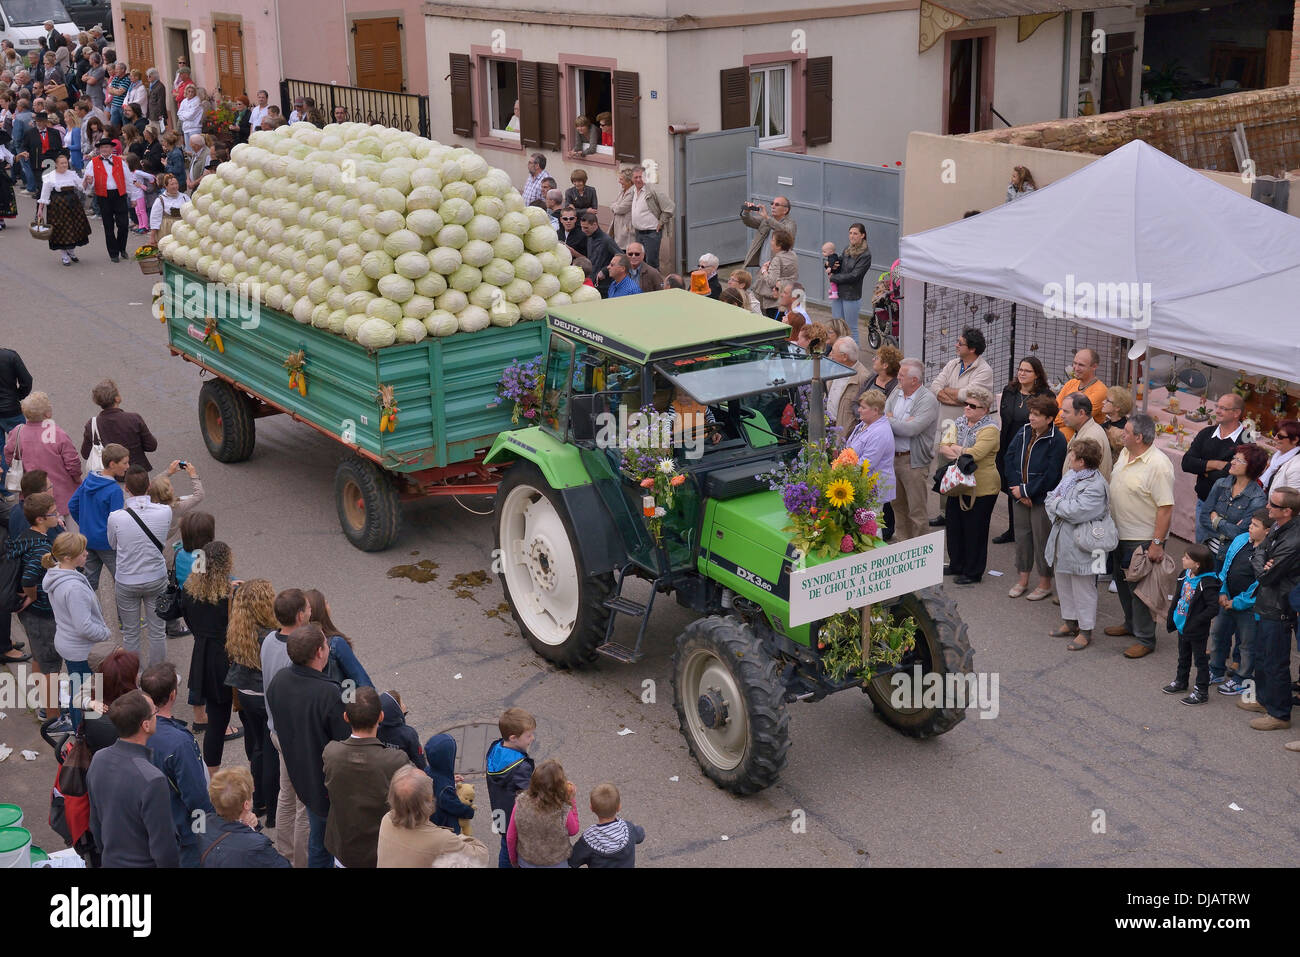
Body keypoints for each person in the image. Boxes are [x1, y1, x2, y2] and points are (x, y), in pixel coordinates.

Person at [266, 624, 351, 868]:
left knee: (317, 836)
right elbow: (344, 744)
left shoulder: (280, 680)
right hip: (324, 783)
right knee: (323, 842)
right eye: (325, 645)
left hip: (298, 770)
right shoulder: (328, 694)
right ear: (319, 652)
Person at [1106, 414, 1176, 658]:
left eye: (1126, 432)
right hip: (1118, 533)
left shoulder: (1159, 465)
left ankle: (1145, 639)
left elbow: (1166, 508)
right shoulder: (1126, 452)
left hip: (1142, 539)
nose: (1121, 434)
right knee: (1123, 583)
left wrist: (1156, 544)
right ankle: (1130, 624)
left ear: (1139, 437)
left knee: (1141, 590)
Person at [86, 689, 180, 868]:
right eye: (154, 712)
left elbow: (95, 823)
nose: (157, 715)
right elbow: (163, 848)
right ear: (145, 725)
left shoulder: (98, 759)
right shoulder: (153, 780)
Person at [322, 686, 411, 868]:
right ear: (381, 717)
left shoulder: (331, 752)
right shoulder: (395, 760)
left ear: (346, 717)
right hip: (380, 852)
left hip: (344, 850)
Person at [140, 662, 215, 867]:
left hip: (152, 828)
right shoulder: (179, 743)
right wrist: (203, 834)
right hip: (184, 836)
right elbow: (197, 798)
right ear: (173, 695)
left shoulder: (134, 728)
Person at [1240, 486, 1300, 733]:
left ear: (1287, 511)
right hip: (1267, 602)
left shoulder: (1294, 538)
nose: (1267, 507)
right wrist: (1262, 553)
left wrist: (1261, 555)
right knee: (1263, 655)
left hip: (1279, 606)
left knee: (1275, 660)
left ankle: (1279, 713)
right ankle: (1264, 700)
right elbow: (1261, 550)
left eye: (1273, 505)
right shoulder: (1279, 527)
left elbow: (1267, 576)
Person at [1044, 438, 1111, 650]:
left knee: (1083, 588)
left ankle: (1085, 631)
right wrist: (1057, 504)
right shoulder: (1071, 476)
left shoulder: (1096, 485)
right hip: (1063, 541)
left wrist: (1055, 503)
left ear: (1081, 461)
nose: (1069, 458)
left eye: (1072, 456)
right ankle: (1070, 622)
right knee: (1063, 582)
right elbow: (1052, 501)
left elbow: (1076, 512)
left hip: (1084, 545)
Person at [263, 587, 313, 865]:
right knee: (304, 802)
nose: (310, 611)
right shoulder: (296, 652)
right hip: (295, 736)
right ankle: (302, 861)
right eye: (307, 608)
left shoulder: (269, 640)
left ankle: (285, 853)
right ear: (299, 616)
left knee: (287, 794)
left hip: (276, 730)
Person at [179, 540, 237, 772]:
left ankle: (213, 778)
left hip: (203, 656)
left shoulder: (188, 591)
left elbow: (191, 624)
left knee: (216, 722)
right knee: (254, 720)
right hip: (229, 657)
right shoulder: (230, 595)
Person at [224, 578, 279, 823]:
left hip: (245, 695)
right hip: (264, 697)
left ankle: (258, 802)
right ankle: (271, 805)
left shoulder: (238, 630)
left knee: (256, 747)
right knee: (270, 752)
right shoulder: (269, 634)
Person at [107, 465, 172, 667]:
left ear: (126, 488)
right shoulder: (165, 511)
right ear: (149, 486)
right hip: (156, 578)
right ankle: (158, 675)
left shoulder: (115, 517)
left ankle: (133, 676)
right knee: (157, 631)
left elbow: (113, 545)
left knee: (131, 633)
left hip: (127, 580)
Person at [1005, 395, 1067, 601]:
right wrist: (1017, 489)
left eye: (1037, 415)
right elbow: (1009, 458)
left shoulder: (1056, 440)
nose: (1031, 418)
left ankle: (1044, 583)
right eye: (1031, 413)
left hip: (1041, 499)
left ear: (1049, 419)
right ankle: (1022, 580)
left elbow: (1052, 474)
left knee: (1042, 540)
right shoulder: (1023, 432)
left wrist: (1028, 491)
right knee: (1022, 537)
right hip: (1019, 494)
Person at [43, 531, 108, 729]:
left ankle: (78, 730)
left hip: (69, 643)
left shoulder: (57, 574)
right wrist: (106, 635)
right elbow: (84, 626)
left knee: (78, 692)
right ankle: (83, 738)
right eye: (82, 552)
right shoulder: (73, 588)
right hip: (81, 650)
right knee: (84, 698)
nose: (87, 554)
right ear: (67, 558)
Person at [937, 386, 1000, 584]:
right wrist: (961, 450)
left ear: (985, 409)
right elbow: (942, 447)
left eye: (973, 406)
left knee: (975, 530)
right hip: (957, 482)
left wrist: (955, 448)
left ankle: (973, 572)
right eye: (966, 404)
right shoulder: (959, 421)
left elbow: (976, 454)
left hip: (981, 487)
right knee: (955, 525)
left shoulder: (990, 429)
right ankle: (957, 564)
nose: (967, 408)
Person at [6, 493, 60, 717]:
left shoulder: (25, 537)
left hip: (29, 615)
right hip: (42, 614)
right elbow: (29, 578)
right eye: (53, 513)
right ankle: (53, 714)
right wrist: (33, 596)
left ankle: (44, 704)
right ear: (40, 519)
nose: (57, 516)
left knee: (38, 655)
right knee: (50, 665)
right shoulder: (40, 547)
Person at [377, 765, 489, 868]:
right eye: (430, 782)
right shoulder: (443, 841)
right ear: (429, 800)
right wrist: (459, 838)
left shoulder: (387, 819)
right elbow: (481, 857)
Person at [993, 357, 1052, 545]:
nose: (1021, 373)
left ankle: (1032, 532)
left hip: (1031, 446)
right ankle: (1014, 529)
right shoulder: (1010, 391)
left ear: (1037, 375)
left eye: (1027, 371)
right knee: (1011, 485)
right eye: (1020, 369)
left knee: (1028, 487)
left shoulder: (1045, 395)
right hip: (1008, 444)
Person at [1211, 508, 1268, 695]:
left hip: (1249, 607)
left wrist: (1238, 602)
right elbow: (1227, 566)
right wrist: (1222, 591)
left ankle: (1242, 678)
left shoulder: (1268, 552)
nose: (1249, 527)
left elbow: (1260, 584)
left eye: (1255, 525)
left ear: (1267, 531)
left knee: (1246, 644)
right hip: (1227, 599)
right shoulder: (1241, 539)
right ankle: (1216, 670)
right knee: (1219, 634)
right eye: (1251, 523)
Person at [885, 359, 939, 542]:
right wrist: (897, 422)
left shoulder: (928, 400)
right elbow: (884, 415)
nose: (897, 377)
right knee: (898, 508)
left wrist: (891, 421)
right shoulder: (897, 391)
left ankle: (921, 554)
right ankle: (903, 548)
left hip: (913, 463)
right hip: (894, 459)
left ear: (914, 380)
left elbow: (911, 430)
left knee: (917, 512)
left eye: (901, 375)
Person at [4, 392, 81, 519]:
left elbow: (9, 457)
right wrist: (77, 479)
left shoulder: (17, 432)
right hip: (62, 496)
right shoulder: (58, 434)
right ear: (47, 414)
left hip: (31, 497)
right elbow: (73, 464)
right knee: (69, 535)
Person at [1161, 544, 1220, 706]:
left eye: (1187, 558)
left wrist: (1196, 621)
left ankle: (1201, 691)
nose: (1183, 559)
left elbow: (1213, 608)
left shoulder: (1208, 583)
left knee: (1200, 660)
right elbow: (1179, 597)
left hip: (1196, 629)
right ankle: (1181, 681)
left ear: (1197, 564)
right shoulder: (1184, 574)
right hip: (1182, 625)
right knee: (1183, 655)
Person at [198, 767, 291, 868]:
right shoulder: (257, 847)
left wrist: (251, 828)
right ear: (246, 804)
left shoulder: (202, 823)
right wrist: (252, 832)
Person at [1185, 393, 1247, 544]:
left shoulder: (1246, 440)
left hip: (1229, 512)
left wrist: (1203, 468)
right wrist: (1217, 465)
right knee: (1200, 551)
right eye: (1217, 406)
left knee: (1219, 554)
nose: (1217, 411)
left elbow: (1231, 477)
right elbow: (1186, 463)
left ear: (1236, 413)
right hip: (1204, 502)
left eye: (1223, 408)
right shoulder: (1206, 433)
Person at [67, 442, 128, 591]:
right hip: (107, 543)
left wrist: (85, 524)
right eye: (125, 463)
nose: (127, 466)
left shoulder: (89, 480)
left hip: (87, 538)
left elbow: (72, 505)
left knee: (89, 583)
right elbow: (116, 521)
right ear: (113, 464)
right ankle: (124, 615)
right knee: (121, 583)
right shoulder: (114, 490)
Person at [486, 706, 536, 868]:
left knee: (505, 845)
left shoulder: (495, 749)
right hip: (516, 820)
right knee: (516, 850)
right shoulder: (520, 768)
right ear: (513, 738)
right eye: (528, 735)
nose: (532, 738)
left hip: (499, 812)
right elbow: (530, 796)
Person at [507, 758, 580, 868]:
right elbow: (573, 830)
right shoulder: (562, 808)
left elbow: (511, 836)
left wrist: (513, 860)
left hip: (527, 861)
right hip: (556, 862)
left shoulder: (520, 803)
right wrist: (571, 800)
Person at [844, 390, 896, 539]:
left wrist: (843, 468)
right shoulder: (864, 424)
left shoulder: (880, 432)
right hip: (862, 484)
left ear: (875, 411)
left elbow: (866, 463)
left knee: (871, 527)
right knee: (863, 526)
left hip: (874, 487)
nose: (859, 410)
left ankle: (876, 556)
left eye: (863, 407)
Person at [1201, 444, 1268, 557]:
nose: (1232, 462)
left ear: (1252, 466)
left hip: (1230, 556)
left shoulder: (1257, 498)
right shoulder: (1221, 484)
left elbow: (1241, 533)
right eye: (1234, 458)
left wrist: (1216, 520)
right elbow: (1204, 517)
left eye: (1239, 460)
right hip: (1207, 549)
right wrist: (1228, 529)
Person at [304, 587, 374, 689]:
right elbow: (361, 681)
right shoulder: (336, 644)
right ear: (322, 611)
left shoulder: (300, 645)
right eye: (326, 603)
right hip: (345, 700)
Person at [82, 379, 157, 470]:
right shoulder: (134, 419)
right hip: (136, 474)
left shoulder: (92, 424)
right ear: (116, 398)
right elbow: (151, 446)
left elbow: (85, 454)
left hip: (110, 476)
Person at [569, 782, 645, 868]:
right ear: (619, 807)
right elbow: (641, 835)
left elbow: (574, 860)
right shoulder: (628, 829)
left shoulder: (589, 838)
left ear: (592, 808)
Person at [35, 151, 90, 266]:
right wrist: (40, 209)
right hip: (57, 206)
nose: (65, 165)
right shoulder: (49, 176)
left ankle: (71, 251)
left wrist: (87, 181)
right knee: (61, 229)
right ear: (56, 164)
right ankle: (64, 255)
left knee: (74, 227)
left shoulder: (72, 174)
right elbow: (44, 195)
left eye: (66, 163)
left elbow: (81, 187)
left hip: (73, 204)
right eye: (62, 163)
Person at [826, 223, 872, 341]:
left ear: (862, 235)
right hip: (838, 293)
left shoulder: (865, 255)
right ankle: (837, 353)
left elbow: (855, 276)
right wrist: (830, 264)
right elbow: (840, 262)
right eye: (850, 233)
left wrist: (834, 278)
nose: (852, 236)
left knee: (851, 328)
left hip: (851, 295)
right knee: (837, 326)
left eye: (855, 233)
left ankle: (854, 357)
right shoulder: (847, 248)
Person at [1053, 349, 1108, 441]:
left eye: (1081, 365)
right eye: (1074, 363)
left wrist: (1053, 418)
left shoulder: (1100, 391)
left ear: (1094, 366)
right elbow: (1053, 408)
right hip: (1059, 441)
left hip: (1082, 445)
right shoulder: (1071, 383)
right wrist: (1062, 413)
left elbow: (1078, 417)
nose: (1076, 368)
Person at [424, 732, 474, 832]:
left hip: (432, 818)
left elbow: (437, 780)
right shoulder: (445, 788)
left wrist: (450, 778)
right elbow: (454, 806)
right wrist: (469, 811)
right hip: (446, 825)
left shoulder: (428, 770)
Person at [1059, 393, 1113, 481]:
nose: (1061, 415)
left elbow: (1084, 479)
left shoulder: (1091, 438)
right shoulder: (1084, 430)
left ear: (1081, 413)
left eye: (1066, 411)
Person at [627, 165, 673, 268]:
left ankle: (656, 284)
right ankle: (642, 284)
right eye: (636, 177)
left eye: (641, 177)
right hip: (638, 233)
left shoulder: (653, 191)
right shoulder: (633, 190)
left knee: (651, 264)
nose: (639, 180)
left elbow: (670, 207)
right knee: (640, 263)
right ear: (632, 179)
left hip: (651, 233)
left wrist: (661, 223)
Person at [827, 337, 870, 434]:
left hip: (844, 433)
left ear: (844, 357)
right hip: (828, 426)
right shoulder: (835, 367)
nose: (830, 355)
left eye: (833, 352)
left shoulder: (863, 377)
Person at [751, 229, 798, 318]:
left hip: (773, 302)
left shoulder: (777, 259)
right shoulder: (793, 255)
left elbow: (771, 282)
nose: (771, 242)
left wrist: (764, 270)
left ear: (779, 245)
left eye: (772, 240)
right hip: (787, 296)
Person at [741, 195, 796, 268]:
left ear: (785, 210)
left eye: (777, 205)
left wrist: (767, 217)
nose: (773, 206)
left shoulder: (790, 223)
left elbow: (786, 231)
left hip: (778, 267)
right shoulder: (767, 219)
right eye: (772, 203)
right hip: (763, 266)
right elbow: (750, 222)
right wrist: (746, 212)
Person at [377, 690, 426, 770]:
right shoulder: (409, 733)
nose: (404, 705)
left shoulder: (378, 730)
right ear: (396, 709)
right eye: (401, 703)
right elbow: (418, 757)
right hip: (404, 771)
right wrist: (424, 770)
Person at [580, 210, 620, 292]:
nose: (583, 230)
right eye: (582, 227)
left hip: (604, 285)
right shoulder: (589, 236)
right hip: (592, 281)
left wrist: (605, 270)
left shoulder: (606, 240)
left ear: (594, 225)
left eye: (586, 227)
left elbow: (621, 256)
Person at [1260, 419, 1300, 493]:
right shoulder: (1279, 454)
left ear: (1295, 440)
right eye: (1275, 433)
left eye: (1280, 436)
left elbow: (1292, 498)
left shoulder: (1296, 466)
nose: (1275, 438)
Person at [148, 170, 187, 244]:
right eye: (172, 184)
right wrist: (152, 237)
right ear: (166, 186)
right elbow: (155, 219)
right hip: (166, 231)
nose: (175, 186)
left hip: (182, 229)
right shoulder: (160, 200)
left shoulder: (185, 197)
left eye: (176, 183)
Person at [1101, 385, 1133, 457]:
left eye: (1107, 400)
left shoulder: (1120, 433)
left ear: (1117, 407)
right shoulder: (1127, 424)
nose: (1103, 402)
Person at [608, 166, 634, 250]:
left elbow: (619, 209)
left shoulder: (632, 193)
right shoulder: (622, 191)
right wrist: (615, 206)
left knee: (625, 250)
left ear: (629, 181)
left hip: (626, 228)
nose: (619, 182)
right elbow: (612, 204)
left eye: (621, 179)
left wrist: (615, 206)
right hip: (617, 227)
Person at [145, 68, 166, 132]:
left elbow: (161, 102)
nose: (148, 78)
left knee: (158, 133)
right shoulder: (152, 85)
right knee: (153, 133)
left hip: (157, 115)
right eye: (147, 76)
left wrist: (160, 115)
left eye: (149, 76)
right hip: (152, 115)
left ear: (155, 76)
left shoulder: (160, 86)